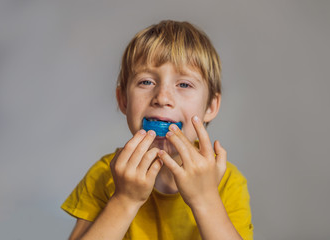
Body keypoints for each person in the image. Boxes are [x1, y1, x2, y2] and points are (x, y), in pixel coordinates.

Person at [61, 20, 253, 240]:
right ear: (123, 100)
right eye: (146, 82)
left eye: (184, 85)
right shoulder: (105, 175)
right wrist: (125, 199)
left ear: (211, 106)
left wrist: (205, 198)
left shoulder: (227, 180)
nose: (162, 98)